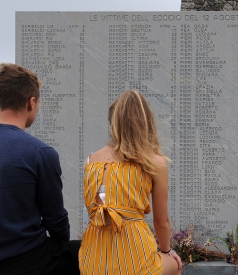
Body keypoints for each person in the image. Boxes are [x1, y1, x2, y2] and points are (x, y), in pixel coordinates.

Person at [79, 90, 182, 275]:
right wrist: (167, 251)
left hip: (93, 257)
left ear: (113, 123)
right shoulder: (155, 162)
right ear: (147, 123)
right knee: (174, 266)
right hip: (136, 257)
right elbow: (162, 222)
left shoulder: (90, 161)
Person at [0, 63, 80, 275]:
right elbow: (56, 222)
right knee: (90, 254)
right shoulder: (40, 152)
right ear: (31, 102)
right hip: (25, 261)